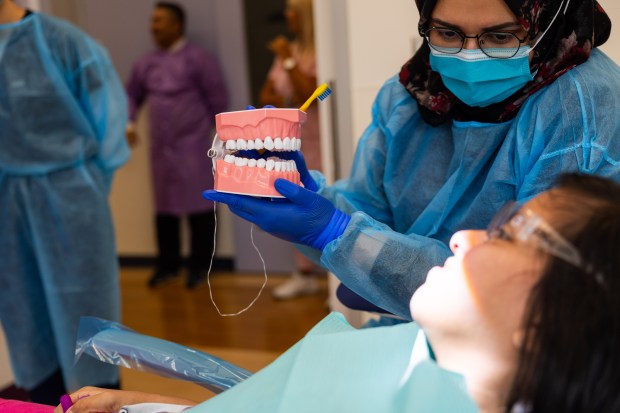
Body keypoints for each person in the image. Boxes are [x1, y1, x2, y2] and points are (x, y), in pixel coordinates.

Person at [56, 174, 620, 412]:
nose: (461, 236)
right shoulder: (415, 374)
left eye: (510, 233)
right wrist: (143, 407)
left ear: (558, 319)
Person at [204, 0, 620, 318]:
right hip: (415, 337)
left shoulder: (581, 106)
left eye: (500, 37)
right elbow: (370, 212)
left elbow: (531, 286)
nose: (468, 57)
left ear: (547, 25)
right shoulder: (411, 94)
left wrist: (339, 233)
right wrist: (321, 208)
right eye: (447, 32)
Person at [0, 0, 130, 406]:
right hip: (5, 207)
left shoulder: (63, 43)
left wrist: (80, 188)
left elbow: (108, 129)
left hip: (71, 201)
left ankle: (101, 401)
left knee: (86, 325)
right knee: (24, 320)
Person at [126, 2, 229, 289]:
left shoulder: (199, 59)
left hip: (194, 146)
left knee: (200, 207)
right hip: (161, 149)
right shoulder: (146, 63)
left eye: (159, 21)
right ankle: (167, 266)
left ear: (177, 25)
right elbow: (131, 95)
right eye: (152, 21)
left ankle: (200, 267)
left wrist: (219, 138)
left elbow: (218, 100)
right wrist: (129, 123)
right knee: (165, 209)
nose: (153, 27)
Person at [259, 0, 325, 300]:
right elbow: (267, 96)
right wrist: (286, 62)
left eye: (292, 12)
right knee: (294, 203)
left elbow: (307, 93)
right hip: (293, 143)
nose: (287, 17)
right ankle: (304, 274)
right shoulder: (293, 50)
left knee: (326, 203)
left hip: (321, 143)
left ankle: (338, 279)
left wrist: (287, 60)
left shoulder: (319, 51)